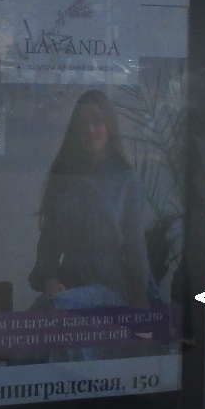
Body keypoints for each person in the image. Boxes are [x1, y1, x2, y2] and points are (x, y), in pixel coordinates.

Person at [29, 90, 154, 312]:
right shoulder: (63, 178)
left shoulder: (126, 180)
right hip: (68, 285)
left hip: (110, 286)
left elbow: (136, 249)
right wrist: (49, 279)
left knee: (56, 310)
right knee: (36, 322)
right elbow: (48, 245)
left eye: (97, 120)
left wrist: (140, 310)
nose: (90, 129)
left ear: (109, 126)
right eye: (83, 122)